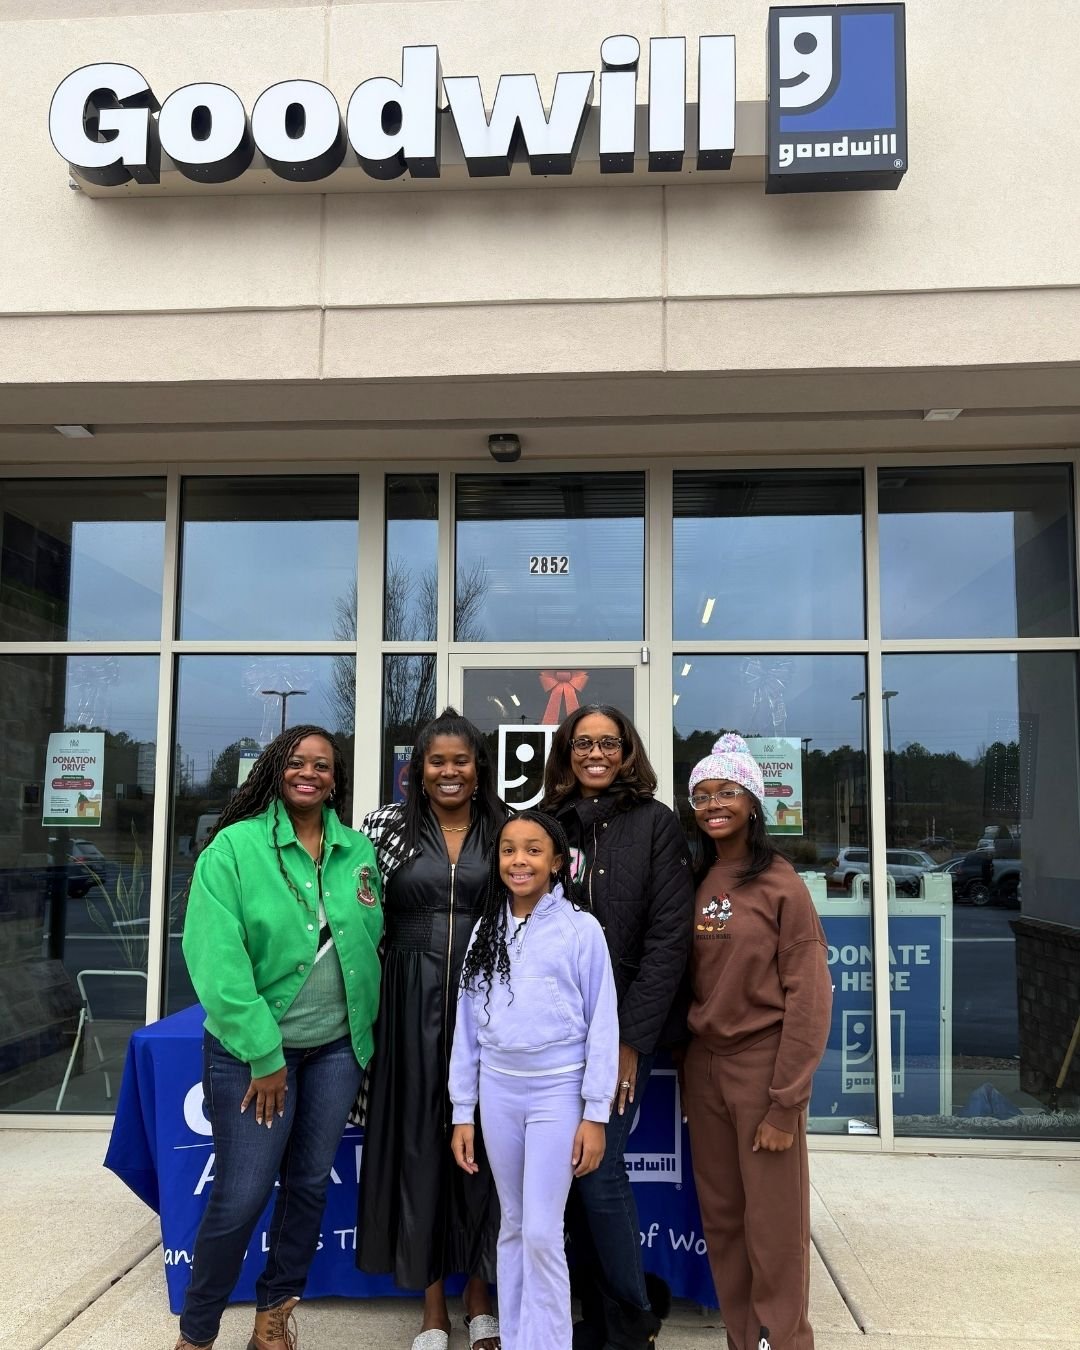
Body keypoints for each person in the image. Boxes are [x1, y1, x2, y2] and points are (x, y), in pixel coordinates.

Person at [174, 725, 383, 1350]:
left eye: (322, 764)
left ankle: (273, 1316)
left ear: (335, 778)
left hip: (337, 1050)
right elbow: (215, 960)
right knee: (240, 1196)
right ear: (275, 769)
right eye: (297, 762)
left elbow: (371, 943)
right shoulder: (234, 850)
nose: (309, 772)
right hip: (253, 1057)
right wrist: (266, 1056)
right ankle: (197, 1333)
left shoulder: (358, 852)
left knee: (309, 1185)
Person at [541, 705, 694, 1349]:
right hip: (552, 1035)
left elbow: (668, 940)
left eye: (609, 743)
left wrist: (628, 1041)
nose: (595, 753)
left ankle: (631, 1324)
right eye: (583, 743)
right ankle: (593, 1317)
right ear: (567, 753)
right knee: (563, 1181)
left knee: (599, 1174)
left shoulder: (656, 824)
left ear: (627, 751)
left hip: (625, 1031)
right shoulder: (548, 824)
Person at [357, 708, 506, 1350]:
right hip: (409, 1004)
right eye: (436, 761)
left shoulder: (505, 828)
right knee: (420, 1146)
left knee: (485, 1150)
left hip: (489, 1002)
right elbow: (358, 915)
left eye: (461, 760)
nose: (449, 771)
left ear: (479, 769)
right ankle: (431, 1310)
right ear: (416, 769)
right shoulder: (384, 827)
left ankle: (481, 1300)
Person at [681, 734, 833, 1350]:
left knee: (774, 1226)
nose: (714, 805)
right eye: (702, 795)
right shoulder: (695, 876)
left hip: (762, 1067)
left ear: (752, 801)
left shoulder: (779, 884)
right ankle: (746, 1338)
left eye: (727, 793)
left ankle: (785, 1339)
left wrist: (784, 1101)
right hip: (705, 1068)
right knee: (723, 1220)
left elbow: (810, 999)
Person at [449, 810, 620, 1350]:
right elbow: (468, 1026)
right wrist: (462, 1110)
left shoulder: (580, 928)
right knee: (515, 1224)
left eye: (532, 850)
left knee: (545, 1232)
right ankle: (521, 1336)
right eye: (508, 850)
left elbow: (603, 1023)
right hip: (498, 1092)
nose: (519, 860)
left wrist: (595, 1113)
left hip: (557, 1092)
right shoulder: (487, 928)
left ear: (556, 861)